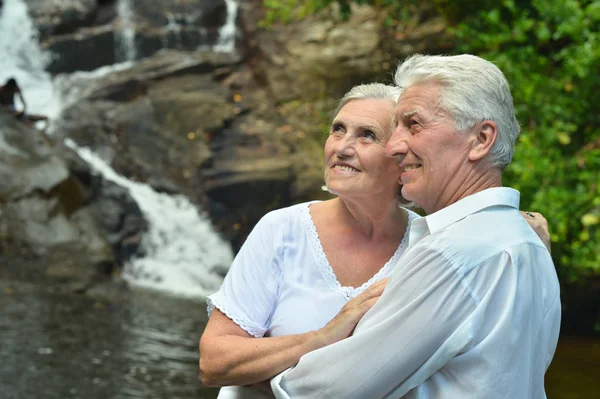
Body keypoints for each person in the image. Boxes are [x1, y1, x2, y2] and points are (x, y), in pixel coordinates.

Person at [199, 82, 552, 398]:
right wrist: (320, 338)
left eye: (367, 135)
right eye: (338, 130)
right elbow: (214, 361)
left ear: (401, 154)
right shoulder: (282, 229)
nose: (343, 147)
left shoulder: (432, 248)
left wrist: (516, 233)